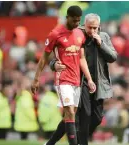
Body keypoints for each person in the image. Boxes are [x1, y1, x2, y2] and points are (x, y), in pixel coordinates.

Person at [31, 6, 96, 145]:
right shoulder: (55, 33)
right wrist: (36, 79)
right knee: (70, 113)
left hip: (76, 80)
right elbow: (44, 58)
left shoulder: (79, 34)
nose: (76, 24)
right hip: (63, 79)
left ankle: (49, 144)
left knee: (70, 115)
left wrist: (89, 79)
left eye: (79, 21)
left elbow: (81, 58)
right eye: (74, 21)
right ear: (67, 17)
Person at [49, 13, 117, 145]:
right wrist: (54, 65)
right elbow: (58, 55)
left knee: (96, 118)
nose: (92, 31)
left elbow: (113, 57)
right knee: (83, 115)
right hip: (79, 81)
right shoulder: (75, 36)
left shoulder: (104, 37)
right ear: (84, 25)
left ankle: (52, 142)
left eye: (95, 28)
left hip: (98, 83)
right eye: (89, 27)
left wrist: (101, 44)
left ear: (99, 27)